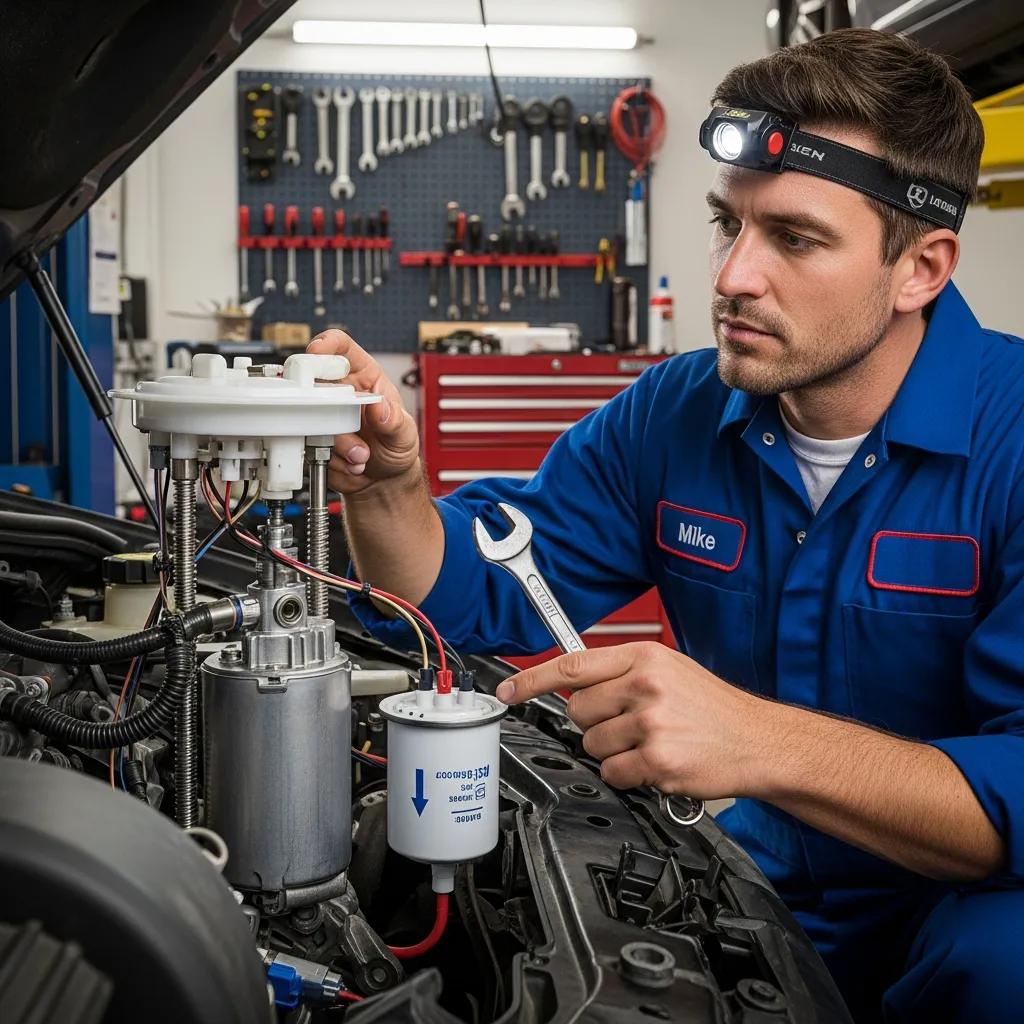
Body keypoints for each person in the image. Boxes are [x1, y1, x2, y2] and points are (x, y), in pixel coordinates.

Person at [309, 29, 1023, 1023]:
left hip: (958, 912)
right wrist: (389, 489)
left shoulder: (1012, 436)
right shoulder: (675, 413)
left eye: (795, 238)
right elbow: (472, 594)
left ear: (920, 268)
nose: (732, 277)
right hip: (761, 885)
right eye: (728, 224)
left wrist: (757, 739)